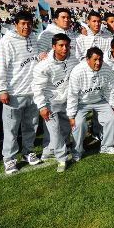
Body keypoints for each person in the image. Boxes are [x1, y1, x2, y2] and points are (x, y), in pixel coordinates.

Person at [0, 11, 42, 174]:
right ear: (16, 24)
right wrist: (2, 89)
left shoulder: (35, 38)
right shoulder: (7, 41)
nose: (26, 26)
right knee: (11, 129)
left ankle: (28, 152)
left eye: (28, 23)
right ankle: (9, 159)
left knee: (31, 126)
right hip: (13, 93)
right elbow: (0, 66)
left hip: (33, 92)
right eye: (22, 23)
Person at [32, 33, 78, 172]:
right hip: (50, 102)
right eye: (61, 45)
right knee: (55, 131)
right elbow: (37, 87)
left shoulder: (73, 59)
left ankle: (56, 151)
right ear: (53, 46)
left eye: (67, 46)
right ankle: (62, 159)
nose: (64, 48)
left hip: (67, 100)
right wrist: (42, 106)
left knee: (65, 128)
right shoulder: (43, 65)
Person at [67, 47, 114, 161]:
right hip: (82, 103)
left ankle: (107, 146)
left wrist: (113, 106)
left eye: (100, 59)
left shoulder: (106, 68)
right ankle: (77, 151)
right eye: (95, 59)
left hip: (100, 100)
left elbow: (110, 90)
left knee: (111, 118)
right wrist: (71, 116)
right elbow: (72, 95)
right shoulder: (77, 71)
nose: (98, 63)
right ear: (87, 59)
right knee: (78, 124)